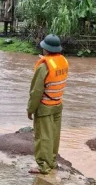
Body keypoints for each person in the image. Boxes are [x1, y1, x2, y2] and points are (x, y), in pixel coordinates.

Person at [27, 34, 69, 174]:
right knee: (54, 135)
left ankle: (43, 166)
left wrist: (30, 109)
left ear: (45, 49)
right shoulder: (63, 61)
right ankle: (52, 161)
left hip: (45, 106)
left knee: (43, 136)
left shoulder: (44, 66)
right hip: (58, 105)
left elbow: (36, 91)